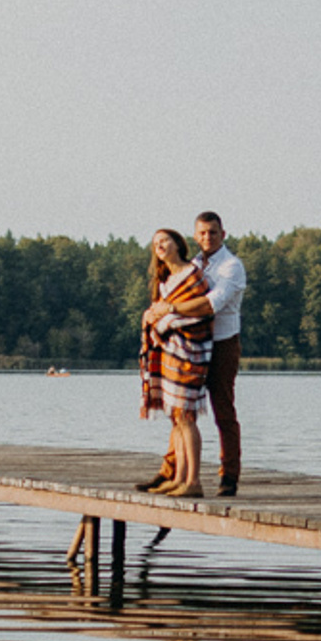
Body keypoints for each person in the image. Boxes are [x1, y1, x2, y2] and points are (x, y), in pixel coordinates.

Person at [137, 228, 214, 497]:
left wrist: (165, 320)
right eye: (155, 242)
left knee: (187, 416)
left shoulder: (192, 275)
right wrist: (152, 318)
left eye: (164, 240)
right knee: (176, 418)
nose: (160, 245)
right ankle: (179, 477)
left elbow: (202, 313)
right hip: (170, 353)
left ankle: (193, 481)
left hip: (191, 353)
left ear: (178, 244)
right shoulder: (166, 282)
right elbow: (159, 313)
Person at [193, 211, 245, 496]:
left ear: (223, 234)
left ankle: (229, 475)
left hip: (223, 343)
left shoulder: (231, 266)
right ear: (195, 236)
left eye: (212, 232)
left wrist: (173, 308)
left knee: (223, 410)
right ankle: (179, 471)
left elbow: (212, 303)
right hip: (195, 343)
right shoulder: (191, 265)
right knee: (184, 409)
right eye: (202, 233)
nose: (207, 238)